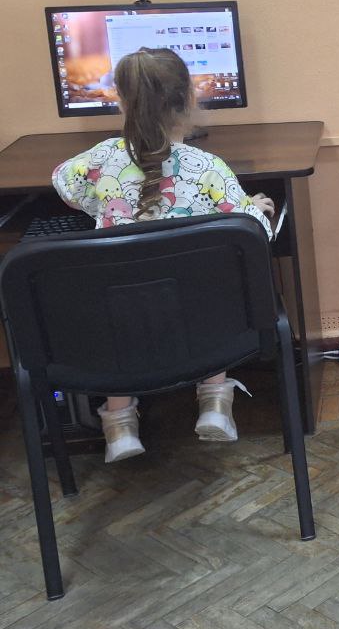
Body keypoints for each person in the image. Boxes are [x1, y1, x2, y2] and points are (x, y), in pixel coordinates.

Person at [51, 48, 275, 463]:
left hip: (116, 325)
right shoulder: (207, 167)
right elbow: (254, 235)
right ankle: (215, 403)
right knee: (211, 281)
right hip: (200, 326)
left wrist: (102, 205)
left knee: (119, 298)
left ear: (120, 99)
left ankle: (120, 426)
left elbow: (65, 185)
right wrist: (254, 209)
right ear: (189, 98)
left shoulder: (99, 159)